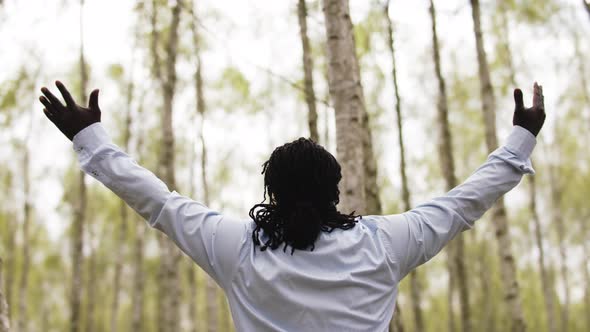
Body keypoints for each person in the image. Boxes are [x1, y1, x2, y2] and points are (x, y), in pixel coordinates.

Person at [39, 81, 545, 332]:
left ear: (272, 192)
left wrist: (90, 136)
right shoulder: (385, 243)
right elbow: (462, 205)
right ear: (335, 192)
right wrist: (522, 137)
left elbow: (158, 202)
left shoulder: (236, 247)